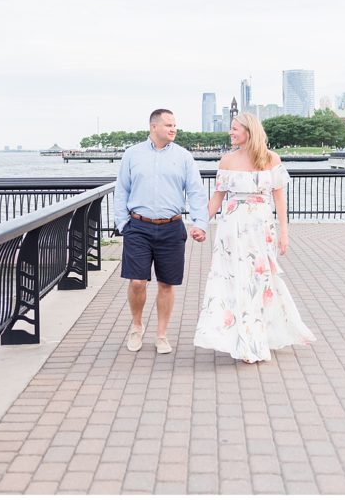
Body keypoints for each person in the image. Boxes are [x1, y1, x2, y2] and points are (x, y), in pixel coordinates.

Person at [193, 112, 315, 363]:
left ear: (249, 130)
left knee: (259, 280)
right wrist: (200, 224)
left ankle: (258, 335)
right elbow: (217, 198)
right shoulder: (226, 160)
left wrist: (284, 232)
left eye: (235, 128)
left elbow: (280, 199)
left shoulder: (271, 159)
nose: (231, 132)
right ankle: (242, 339)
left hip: (260, 228)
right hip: (232, 229)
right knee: (233, 280)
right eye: (231, 128)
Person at [114, 109, 209, 355]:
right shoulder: (132, 155)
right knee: (137, 282)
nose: (173, 128)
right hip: (138, 227)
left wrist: (200, 223)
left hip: (172, 227)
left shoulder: (184, 157)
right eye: (168, 124)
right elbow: (121, 191)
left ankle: (161, 335)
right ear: (153, 127)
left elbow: (196, 192)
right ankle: (136, 326)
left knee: (167, 284)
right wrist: (123, 224)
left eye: (175, 124)